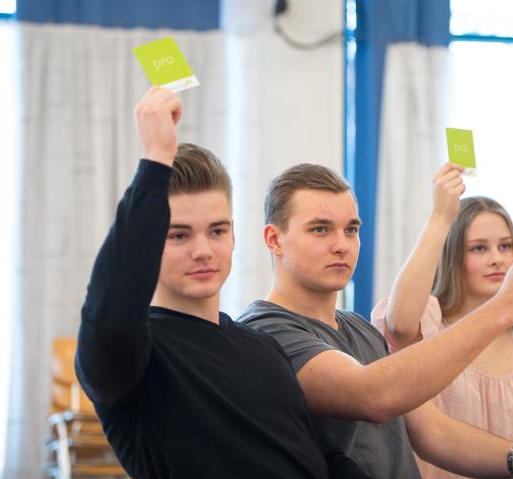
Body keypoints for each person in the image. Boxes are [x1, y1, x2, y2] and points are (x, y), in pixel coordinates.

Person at [238, 162, 513, 478]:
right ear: (274, 239)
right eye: (320, 229)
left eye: (351, 229)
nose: (341, 244)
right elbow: (373, 395)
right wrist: (503, 307)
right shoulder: (265, 329)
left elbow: (435, 433)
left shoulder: (357, 329)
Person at [75, 87, 370, 478]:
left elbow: (323, 459)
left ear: (233, 235)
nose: (203, 250)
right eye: (178, 235)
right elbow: (109, 314)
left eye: (216, 231)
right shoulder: (135, 361)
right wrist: (156, 161)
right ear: (149, 243)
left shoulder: (262, 347)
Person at [371, 182, 513, 479]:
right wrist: (440, 217)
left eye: (505, 246)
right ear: (453, 254)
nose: (496, 258)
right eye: (479, 248)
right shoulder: (428, 319)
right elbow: (399, 324)